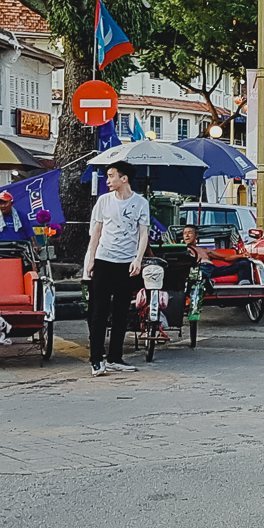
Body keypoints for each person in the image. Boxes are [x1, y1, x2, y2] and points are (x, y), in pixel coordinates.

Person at [84, 160, 149, 377]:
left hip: (126, 263)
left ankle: (115, 357)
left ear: (124, 178)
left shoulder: (140, 203)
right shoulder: (104, 201)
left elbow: (143, 234)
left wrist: (137, 259)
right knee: (99, 312)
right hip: (104, 260)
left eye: (112, 176)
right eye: (107, 176)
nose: (108, 180)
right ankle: (96, 359)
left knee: (122, 312)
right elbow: (97, 232)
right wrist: (91, 259)